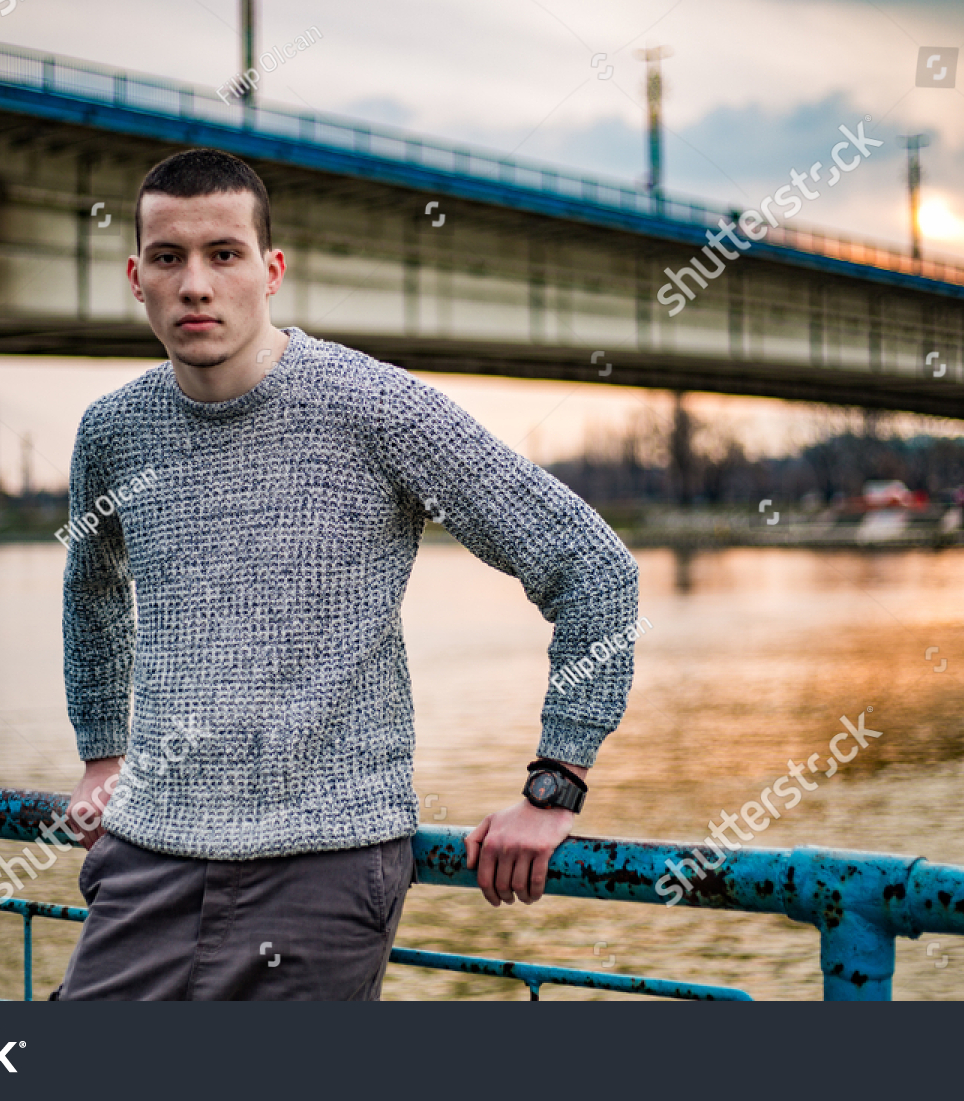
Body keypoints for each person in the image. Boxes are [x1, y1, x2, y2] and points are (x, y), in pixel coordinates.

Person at [49, 147, 640, 1000]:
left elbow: (592, 567)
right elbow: (92, 592)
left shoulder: (374, 407)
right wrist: (101, 750)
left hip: (324, 868)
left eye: (225, 254)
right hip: (147, 857)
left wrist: (557, 781)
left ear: (271, 269)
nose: (197, 284)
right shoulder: (112, 431)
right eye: (170, 258)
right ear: (136, 277)